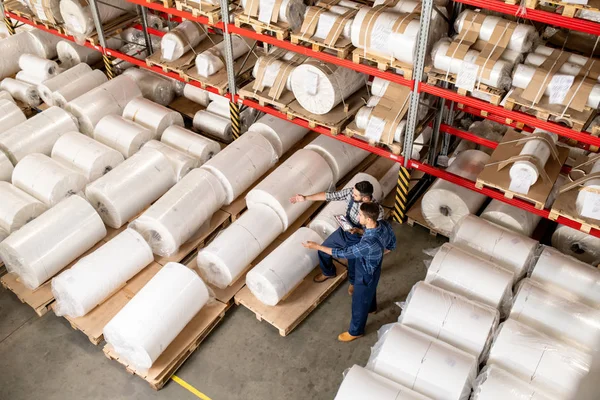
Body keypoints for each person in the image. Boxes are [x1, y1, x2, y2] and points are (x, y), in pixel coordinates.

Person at [303, 202, 396, 342]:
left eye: (360, 215)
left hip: (365, 271)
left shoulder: (368, 244)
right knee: (370, 290)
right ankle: (371, 308)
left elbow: (343, 253)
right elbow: (392, 244)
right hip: (375, 266)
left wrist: (317, 247)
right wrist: (362, 234)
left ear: (369, 219)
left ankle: (356, 331)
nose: (358, 217)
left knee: (359, 301)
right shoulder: (383, 225)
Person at [289, 181, 383, 295]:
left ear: (366, 198)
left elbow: (375, 232)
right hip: (346, 229)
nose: (352, 195)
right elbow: (329, 195)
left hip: (361, 237)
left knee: (354, 263)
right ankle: (328, 272)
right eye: (353, 192)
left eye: (355, 195)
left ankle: (353, 282)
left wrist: (359, 231)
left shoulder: (377, 211)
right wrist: (305, 198)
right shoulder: (351, 193)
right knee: (323, 250)